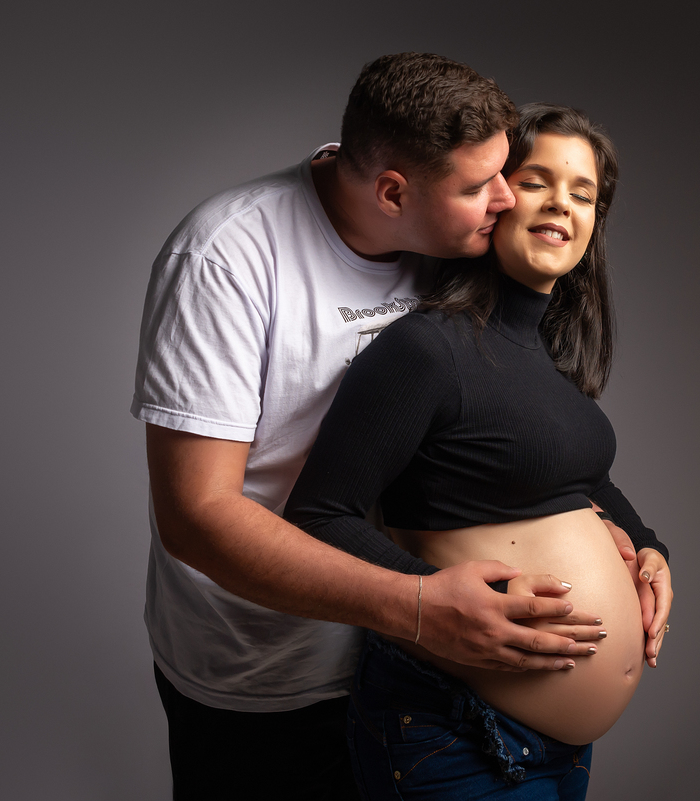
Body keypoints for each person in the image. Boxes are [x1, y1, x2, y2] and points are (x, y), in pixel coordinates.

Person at [132, 54, 670, 799]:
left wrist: (633, 538)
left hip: (416, 665)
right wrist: (420, 604)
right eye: (482, 187)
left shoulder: (449, 245)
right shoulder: (228, 257)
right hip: (265, 668)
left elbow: (519, 435)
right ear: (392, 192)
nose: (505, 199)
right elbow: (198, 517)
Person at [286, 104, 671, 799]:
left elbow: (584, 480)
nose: (562, 203)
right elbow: (318, 515)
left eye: (583, 193)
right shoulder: (427, 348)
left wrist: (648, 546)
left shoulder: (547, 362)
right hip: (457, 733)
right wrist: (433, 600)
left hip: (557, 750)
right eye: (536, 181)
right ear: (494, 198)